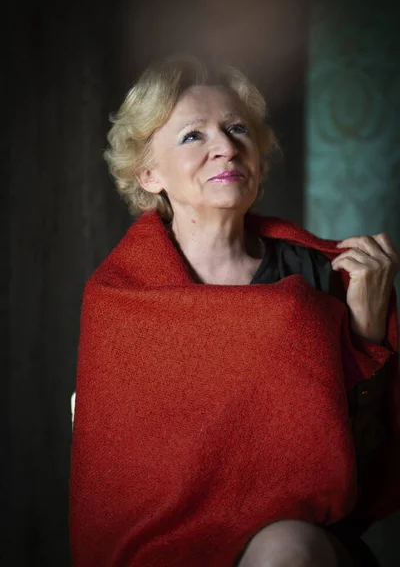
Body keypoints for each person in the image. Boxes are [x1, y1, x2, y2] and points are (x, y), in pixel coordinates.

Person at [69, 53, 400, 567]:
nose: (226, 147)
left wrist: (368, 331)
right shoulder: (120, 298)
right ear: (149, 173)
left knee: (286, 548)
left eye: (238, 128)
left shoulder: (325, 275)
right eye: (193, 136)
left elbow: (368, 473)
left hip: (299, 543)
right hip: (161, 551)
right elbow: (114, 491)